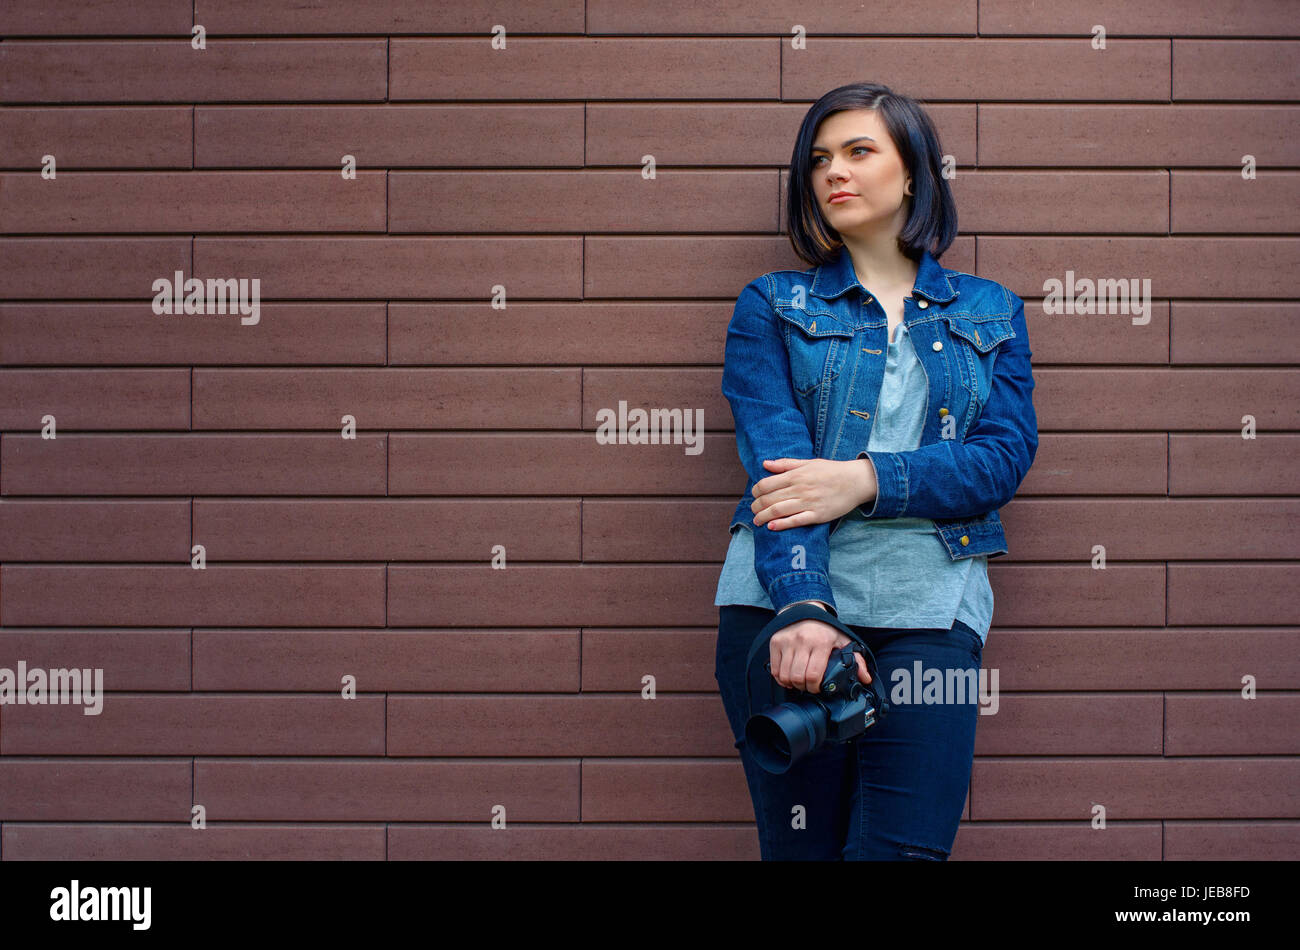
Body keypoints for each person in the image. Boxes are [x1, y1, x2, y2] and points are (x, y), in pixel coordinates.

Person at [713, 81, 1039, 860]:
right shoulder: (773, 304)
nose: (834, 173)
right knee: (803, 852)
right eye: (820, 159)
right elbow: (780, 473)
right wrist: (803, 608)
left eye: (860, 151)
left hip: (931, 606)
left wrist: (865, 478)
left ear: (914, 172)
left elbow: (999, 460)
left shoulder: (991, 311)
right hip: (781, 606)